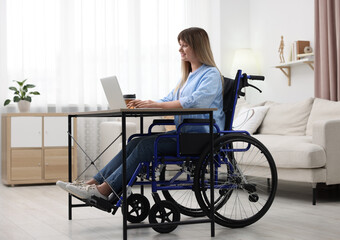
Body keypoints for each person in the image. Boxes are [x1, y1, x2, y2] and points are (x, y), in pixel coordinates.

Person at [57, 27, 225, 200]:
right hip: (185, 135)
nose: (180, 49)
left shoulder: (210, 74)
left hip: (201, 138)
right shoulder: (188, 77)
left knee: (145, 147)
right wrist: (146, 103)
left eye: (184, 45)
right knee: (134, 142)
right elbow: (169, 98)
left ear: (198, 46)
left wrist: (158, 105)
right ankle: (91, 184)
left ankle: (104, 191)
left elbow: (197, 102)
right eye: (180, 45)